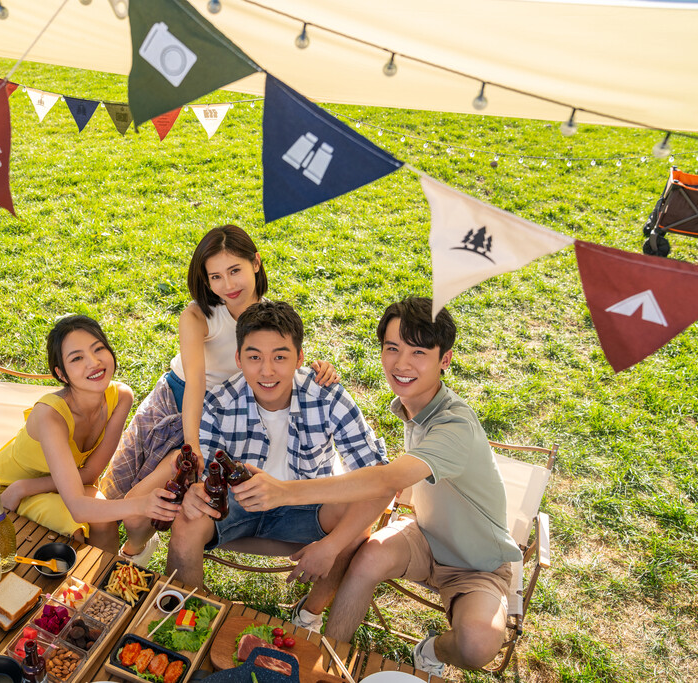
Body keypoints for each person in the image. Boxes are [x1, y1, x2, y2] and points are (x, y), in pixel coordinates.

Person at [240, 297, 521, 675]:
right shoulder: (412, 404)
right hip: (424, 537)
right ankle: (325, 664)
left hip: (478, 564)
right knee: (367, 556)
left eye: (418, 352)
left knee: (476, 644)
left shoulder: (454, 426)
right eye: (392, 349)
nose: (401, 364)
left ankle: (431, 652)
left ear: (446, 359)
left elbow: (387, 478)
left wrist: (286, 491)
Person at [99, 226, 337, 562]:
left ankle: (137, 551)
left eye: (235, 270)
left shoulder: (271, 315)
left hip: (223, 418)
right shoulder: (199, 315)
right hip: (176, 402)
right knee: (122, 505)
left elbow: (281, 364)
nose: (228, 285)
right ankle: (134, 552)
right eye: (216, 277)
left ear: (256, 263)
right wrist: (191, 446)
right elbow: (195, 382)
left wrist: (318, 368)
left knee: (152, 501)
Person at [165, 301, 388, 632]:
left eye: (280, 357)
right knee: (186, 521)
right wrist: (195, 495)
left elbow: (380, 480)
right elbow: (202, 478)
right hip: (236, 507)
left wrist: (331, 546)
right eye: (254, 357)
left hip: (304, 505)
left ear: (299, 358)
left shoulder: (326, 395)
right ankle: (193, 619)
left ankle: (309, 614)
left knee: (355, 524)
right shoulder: (217, 404)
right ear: (238, 359)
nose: (267, 371)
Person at [0, 315, 180, 555]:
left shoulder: (121, 397)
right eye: (77, 358)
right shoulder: (51, 416)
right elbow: (78, 508)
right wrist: (141, 504)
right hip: (1, 493)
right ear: (61, 374)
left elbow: (90, 473)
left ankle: (103, 585)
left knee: (103, 519)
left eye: (98, 348)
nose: (93, 362)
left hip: (48, 486)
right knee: (77, 525)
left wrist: (25, 487)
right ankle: (73, 586)